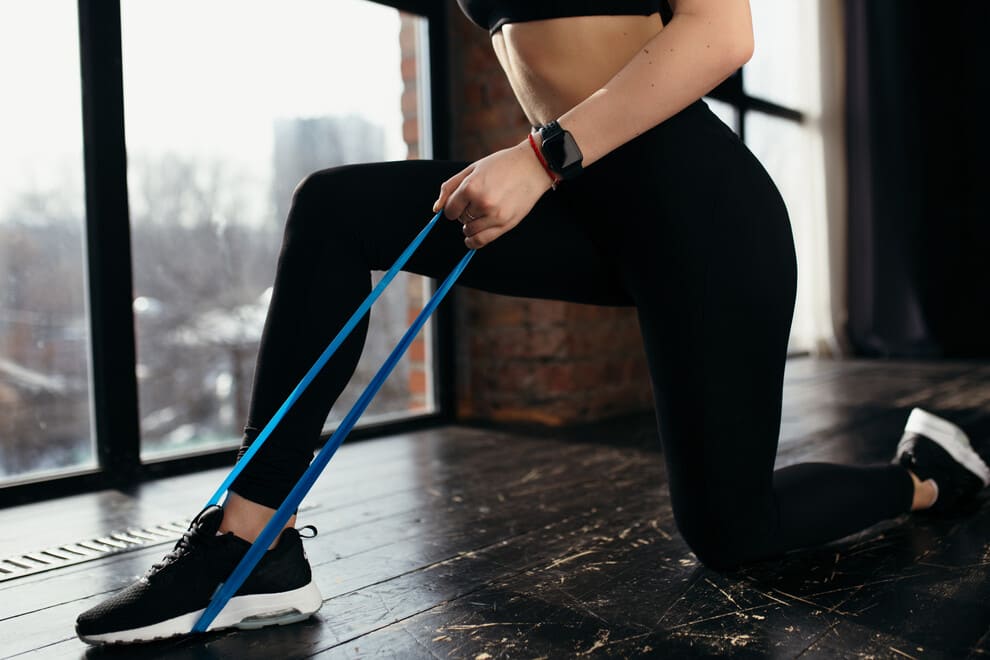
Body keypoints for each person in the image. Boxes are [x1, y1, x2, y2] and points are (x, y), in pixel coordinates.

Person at [75, 0, 990, 645]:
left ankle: (925, 479)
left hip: (705, 222)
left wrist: (542, 157)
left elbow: (722, 34)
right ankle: (251, 541)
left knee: (733, 534)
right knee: (335, 210)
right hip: (589, 211)